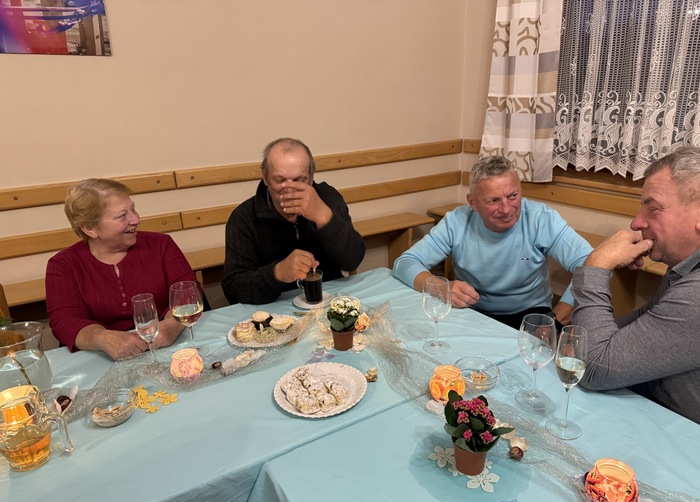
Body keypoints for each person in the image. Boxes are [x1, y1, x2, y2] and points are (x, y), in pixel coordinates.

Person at [572, 146, 700, 424]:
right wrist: (581, 341)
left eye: (653, 209)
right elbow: (650, 317)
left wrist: (595, 266)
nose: (637, 222)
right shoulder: (685, 266)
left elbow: (591, 369)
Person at [393, 155, 592, 329]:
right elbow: (405, 262)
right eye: (493, 200)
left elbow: (592, 265)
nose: (506, 209)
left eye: (513, 196)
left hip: (530, 316)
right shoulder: (456, 221)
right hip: (470, 311)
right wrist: (440, 288)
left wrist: (556, 320)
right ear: (473, 202)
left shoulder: (542, 219)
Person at [45, 178, 199, 360]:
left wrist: (172, 325)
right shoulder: (63, 265)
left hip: (168, 350)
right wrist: (102, 338)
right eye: (122, 216)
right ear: (90, 228)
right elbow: (65, 322)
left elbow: (189, 292)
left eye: (133, 209)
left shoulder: (161, 244)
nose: (136, 219)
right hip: (101, 359)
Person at [222, 137, 365, 304]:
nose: (289, 189)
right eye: (280, 180)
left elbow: (352, 260)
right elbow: (234, 289)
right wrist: (278, 273)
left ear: (311, 177)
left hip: (328, 301)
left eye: (299, 180)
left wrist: (324, 217)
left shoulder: (327, 197)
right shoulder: (243, 217)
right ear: (265, 178)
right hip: (273, 309)